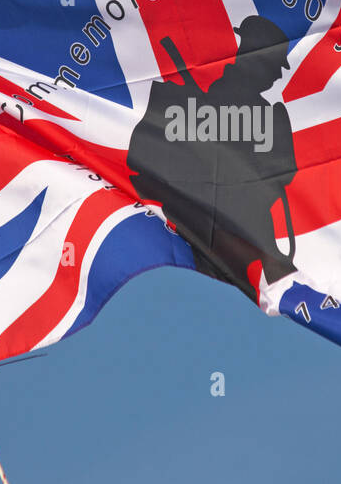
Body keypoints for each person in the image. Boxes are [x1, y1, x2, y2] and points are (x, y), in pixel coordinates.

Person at [127, 16, 299, 300]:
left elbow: (283, 176)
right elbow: (141, 166)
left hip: (243, 253)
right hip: (187, 244)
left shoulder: (272, 117)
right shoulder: (180, 103)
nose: (278, 76)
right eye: (274, 66)